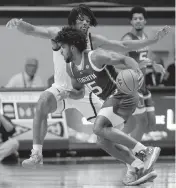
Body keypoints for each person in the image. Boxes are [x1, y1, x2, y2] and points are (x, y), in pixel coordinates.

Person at [6, 4, 170, 177]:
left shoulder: (93, 43)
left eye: (88, 20)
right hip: (62, 88)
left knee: (104, 137)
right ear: (72, 22)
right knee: (42, 102)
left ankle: (135, 165)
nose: (85, 23)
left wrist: (153, 41)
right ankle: (36, 153)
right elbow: (32, 30)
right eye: (81, 20)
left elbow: (123, 45)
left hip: (87, 92)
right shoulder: (58, 34)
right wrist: (18, 24)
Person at [55, 26, 162, 185]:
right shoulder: (71, 69)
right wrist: (67, 94)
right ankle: (137, 166)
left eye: (62, 47)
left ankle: (144, 151)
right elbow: (79, 92)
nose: (60, 51)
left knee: (98, 127)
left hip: (122, 93)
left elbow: (124, 59)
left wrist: (137, 72)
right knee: (103, 141)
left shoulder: (96, 56)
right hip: (112, 101)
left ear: (72, 47)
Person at [121, 6, 168, 182]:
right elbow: (121, 62)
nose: (138, 21)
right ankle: (132, 165)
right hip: (132, 84)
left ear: (145, 21)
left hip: (144, 85)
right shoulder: (127, 39)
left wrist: (154, 65)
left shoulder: (145, 38)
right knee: (139, 124)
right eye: (135, 19)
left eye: (141, 18)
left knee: (151, 122)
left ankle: (136, 156)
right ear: (131, 22)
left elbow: (143, 60)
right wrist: (138, 66)